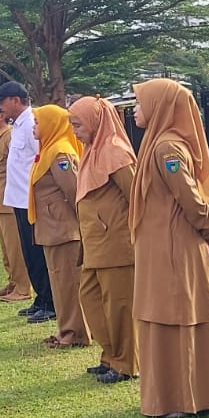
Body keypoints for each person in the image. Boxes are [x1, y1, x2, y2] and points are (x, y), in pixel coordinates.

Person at [129, 79, 209, 418]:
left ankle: (184, 398)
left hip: (173, 248)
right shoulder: (158, 143)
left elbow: (191, 199)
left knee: (176, 316)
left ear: (159, 106)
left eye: (141, 103)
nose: (135, 109)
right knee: (166, 315)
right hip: (162, 246)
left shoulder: (167, 148)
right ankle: (179, 395)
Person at [69, 97, 138, 381]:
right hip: (95, 244)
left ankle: (126, 363)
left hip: (116, 244)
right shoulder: (92, 150)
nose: (74, 130)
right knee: (92, 300)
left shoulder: (115, 152)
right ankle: (110, 356)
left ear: (95, 121)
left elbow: (136, 195)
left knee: (119, 305)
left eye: (78, 123)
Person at [29, 104, 87, 346]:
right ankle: (66, 330)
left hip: (64, 230)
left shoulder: (61, 153)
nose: (34, 127)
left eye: (38, 122)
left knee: (69, 284)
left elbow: (75, 192)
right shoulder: (49, 150)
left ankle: (76, 333)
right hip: (52, 229)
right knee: (59, 284)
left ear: (51, 124)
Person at [0, 82, 53, 321]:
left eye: (3, 101)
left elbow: (41, 161)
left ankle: (50, 302)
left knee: (38, 253)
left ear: (16, 100)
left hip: (31, 200)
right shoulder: (18, 126)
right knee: (29, 254)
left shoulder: (31, 123)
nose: (1, 107)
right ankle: (41, 299)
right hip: (18, 199)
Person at [0, 99, 32, 302]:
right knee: (6, 249)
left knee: (15, 248)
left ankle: (23, 287)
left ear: (1, 116)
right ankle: (13, 282)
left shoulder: (10, 136)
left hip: (11, 201)